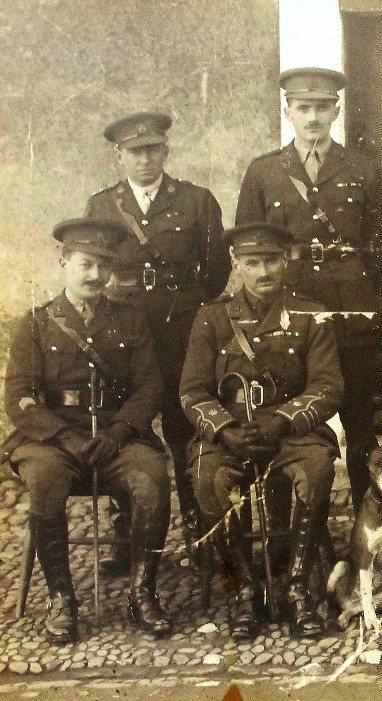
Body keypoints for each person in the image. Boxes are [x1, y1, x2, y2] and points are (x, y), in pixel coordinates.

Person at [1, 218, 173, 642]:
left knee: (151, 480)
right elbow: (19, 395)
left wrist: (117, 432)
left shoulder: (131, 320)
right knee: (45, 478)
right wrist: (63, 436)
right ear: (63, 263)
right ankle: (62, 599)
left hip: (116, 436)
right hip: (52, 439)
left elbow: (150, 385)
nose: (96, 276)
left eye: (104, 267)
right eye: (85, 265)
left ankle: (142, 592)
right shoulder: (36, 323)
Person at [236, 67, 382, 513]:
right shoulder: (265, 171)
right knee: (289, 418)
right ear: (288, 112)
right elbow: (250, 240)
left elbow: (380, 245)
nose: (313, 117)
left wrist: (352, 280)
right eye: (303, 107)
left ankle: (371, 518)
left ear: (336, 110)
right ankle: (293, 530)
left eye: (322, 107)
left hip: (351, 310)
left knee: (360, 421)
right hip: (290, 311)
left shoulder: (362, 168)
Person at [179, 222, 344, 640]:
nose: (263, 271)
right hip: (233, 432)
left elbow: (328, 386)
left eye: (271, 259)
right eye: (252, 262)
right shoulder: (212, 316)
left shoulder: (311, 313)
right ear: (236, 264)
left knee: (318, 469)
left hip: (290, 432)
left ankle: (297, 587)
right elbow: (192, 390)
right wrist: (225, 429)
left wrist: (283, 420)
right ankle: (243, 592)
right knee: (207, 478)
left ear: (286, 259)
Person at [85, 112, 229, 572]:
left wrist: (187, 308)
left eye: (152, 150)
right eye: (134, 152)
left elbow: (216, 271)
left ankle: (199, 528)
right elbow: (98, 266)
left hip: (182, 332)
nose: (144, 160)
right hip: (125, 336)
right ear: (118, 156)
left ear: (166, 151)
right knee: (129, 428)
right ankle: (126, 536)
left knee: (187, 426)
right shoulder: (103, 206)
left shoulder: (196, 201)